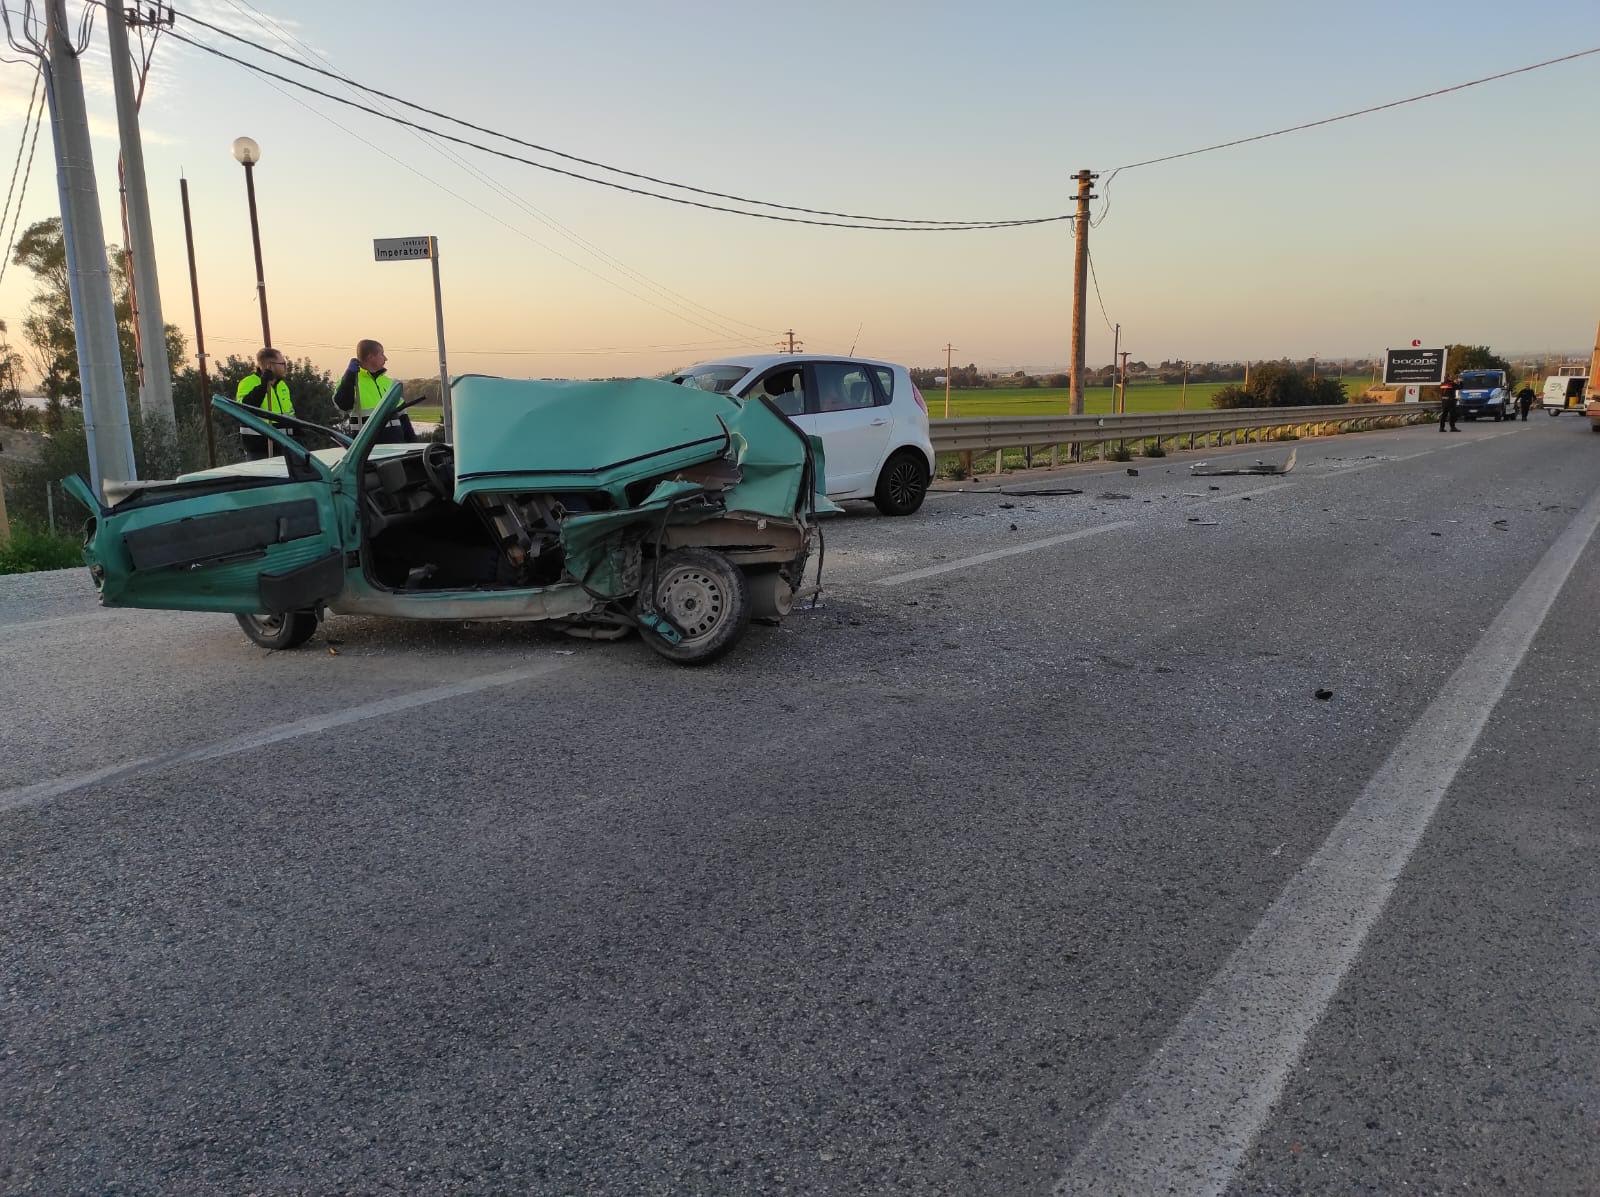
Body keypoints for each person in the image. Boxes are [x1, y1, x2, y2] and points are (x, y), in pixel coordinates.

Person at [333, 339, 416, 443]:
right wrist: (349, 376)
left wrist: (413, 443)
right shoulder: (350, 381)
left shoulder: (389, 382)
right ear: (370, 357)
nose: (385, 358)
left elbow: (403, 416)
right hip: (367, 447)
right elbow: (343, 405)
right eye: (382, 354)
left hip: (396, 446)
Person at [234, 347, 293, 461]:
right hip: (259, 449)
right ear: (270, 366)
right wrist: (263, 387)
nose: (285, 367)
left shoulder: (282, 385)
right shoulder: (248, 382)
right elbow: (244, 409)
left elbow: (290, 414)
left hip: (284, 447)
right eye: (282, 364)